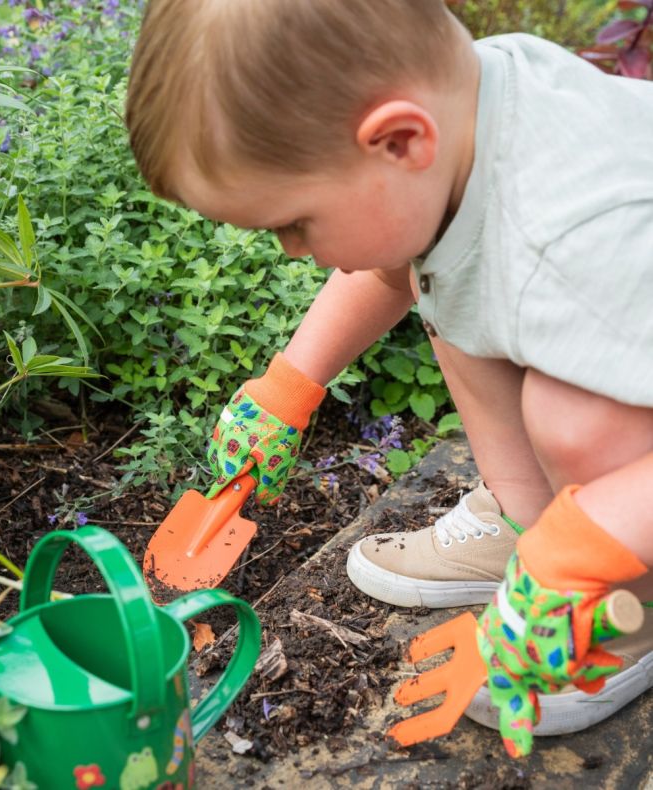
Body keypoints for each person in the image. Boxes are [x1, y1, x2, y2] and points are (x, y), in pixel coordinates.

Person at [126, 0, 653, 757]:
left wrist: (572, 564)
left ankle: (626, 611)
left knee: (581, 418)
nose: (287, 251)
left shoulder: (580, 236)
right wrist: (291, 386)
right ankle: (526, 519)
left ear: (400, 140)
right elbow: (398, 261)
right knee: (450, 278)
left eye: (295, 224)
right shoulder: (465, 121)